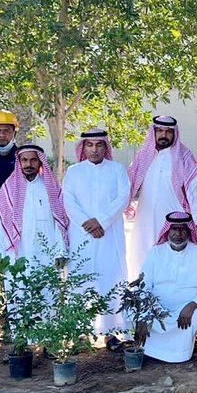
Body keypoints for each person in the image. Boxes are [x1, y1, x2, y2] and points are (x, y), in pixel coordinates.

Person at [61, 128, 131, 342]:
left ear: (105, 147)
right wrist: (88, 223)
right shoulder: (73, 172)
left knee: (111, 280)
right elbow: (68, 201)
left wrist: (100, 221)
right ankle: (80, 333)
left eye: (99, 145)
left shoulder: (118, 170)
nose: (94, 149)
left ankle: (112, 333)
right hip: (82, 236)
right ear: (83, 148)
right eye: (89, 145)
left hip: (109, 236)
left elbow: (123, 198)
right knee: (80, 281)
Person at [0, 144, 68, 312]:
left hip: (47, 252)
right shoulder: (9, 188)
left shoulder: (50, 188)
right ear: (19, 162)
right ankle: (21, 337)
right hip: (18, 253)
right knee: (19, 293)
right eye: (24, 160)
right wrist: (0, 253)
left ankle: (46, 336)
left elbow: (60, 223)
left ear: (40, 162)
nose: (28, 164)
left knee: (47, 295)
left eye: (33, 160)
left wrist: (60, 251)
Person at [126, 115, 197, 276]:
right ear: (153, 132)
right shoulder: (144, 155)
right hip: (145, 218)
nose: (164, 135)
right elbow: (129, 182)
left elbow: (194, 191)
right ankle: (141, 295)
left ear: (174, 133)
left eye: (168, 131)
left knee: (172, 258)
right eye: (160, 130)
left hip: (174, 217)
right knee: (143, 254)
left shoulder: (183, 155)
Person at [140, 211, 197, 363]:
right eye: (174, 228)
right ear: (168, 230)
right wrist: (147, 310)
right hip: (158, 307)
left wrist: (192, 306)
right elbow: (144, 285)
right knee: (131, 311)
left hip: (189, 308)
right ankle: (153, 350)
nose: (178, 233)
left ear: (189, 230)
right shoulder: (155, 252)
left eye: (182, 229)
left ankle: (190, 346)